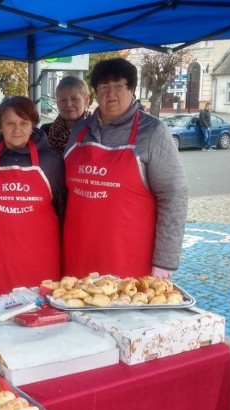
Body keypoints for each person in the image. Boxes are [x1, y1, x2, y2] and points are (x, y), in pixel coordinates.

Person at [63, 58, 188, 280]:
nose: (110, 93)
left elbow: (174, 194)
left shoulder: (152, 132)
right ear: (95, 92)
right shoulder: (80, 131)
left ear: (131, 89)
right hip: (78, 254)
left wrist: (164, 262)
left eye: (118, 86)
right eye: (103, 87)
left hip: (129, 260)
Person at [0, 96, 66, 299]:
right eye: (10, 123)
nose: (17, 129)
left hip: (40, 264)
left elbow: (64, 213)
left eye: (24, 123)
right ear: (0, 126)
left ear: (33, 124)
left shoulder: (51, 162)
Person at [41, 76, 92, 155]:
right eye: (63, 100)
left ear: (86, 100)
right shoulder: (45, 132)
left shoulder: (96, 131)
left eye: (74, 99)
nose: (68, 104)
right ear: (57, 103)